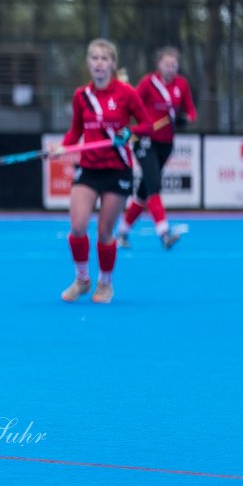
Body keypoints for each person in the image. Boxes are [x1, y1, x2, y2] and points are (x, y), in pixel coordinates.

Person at [51, 39, 155, 304]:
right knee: (77, 227)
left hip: (117, 170)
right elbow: (76, 132)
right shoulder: (80, 96)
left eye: (104, 59)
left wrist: (129, 132)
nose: (99, 63)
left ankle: (105, 284)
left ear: (112, 64)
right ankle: (82, 280)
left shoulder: (126, 93)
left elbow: (147, 125)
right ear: (88, 63)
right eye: (94, 58)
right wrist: (62, 148)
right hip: (89, 168)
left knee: (105, 232)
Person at [116, 46, 198, 249]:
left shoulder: (182, 84)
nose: (170, 68)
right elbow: (132, 104)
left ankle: (122, 233)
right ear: (159, 64)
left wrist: (184, 119)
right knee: (153, 184)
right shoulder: (148, 82)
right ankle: (164, 233)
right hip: (144, 140)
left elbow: (191, 112)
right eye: (166, 64)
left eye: (174, 64)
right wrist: (129, 127)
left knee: (144, 191)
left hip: (166, 143)